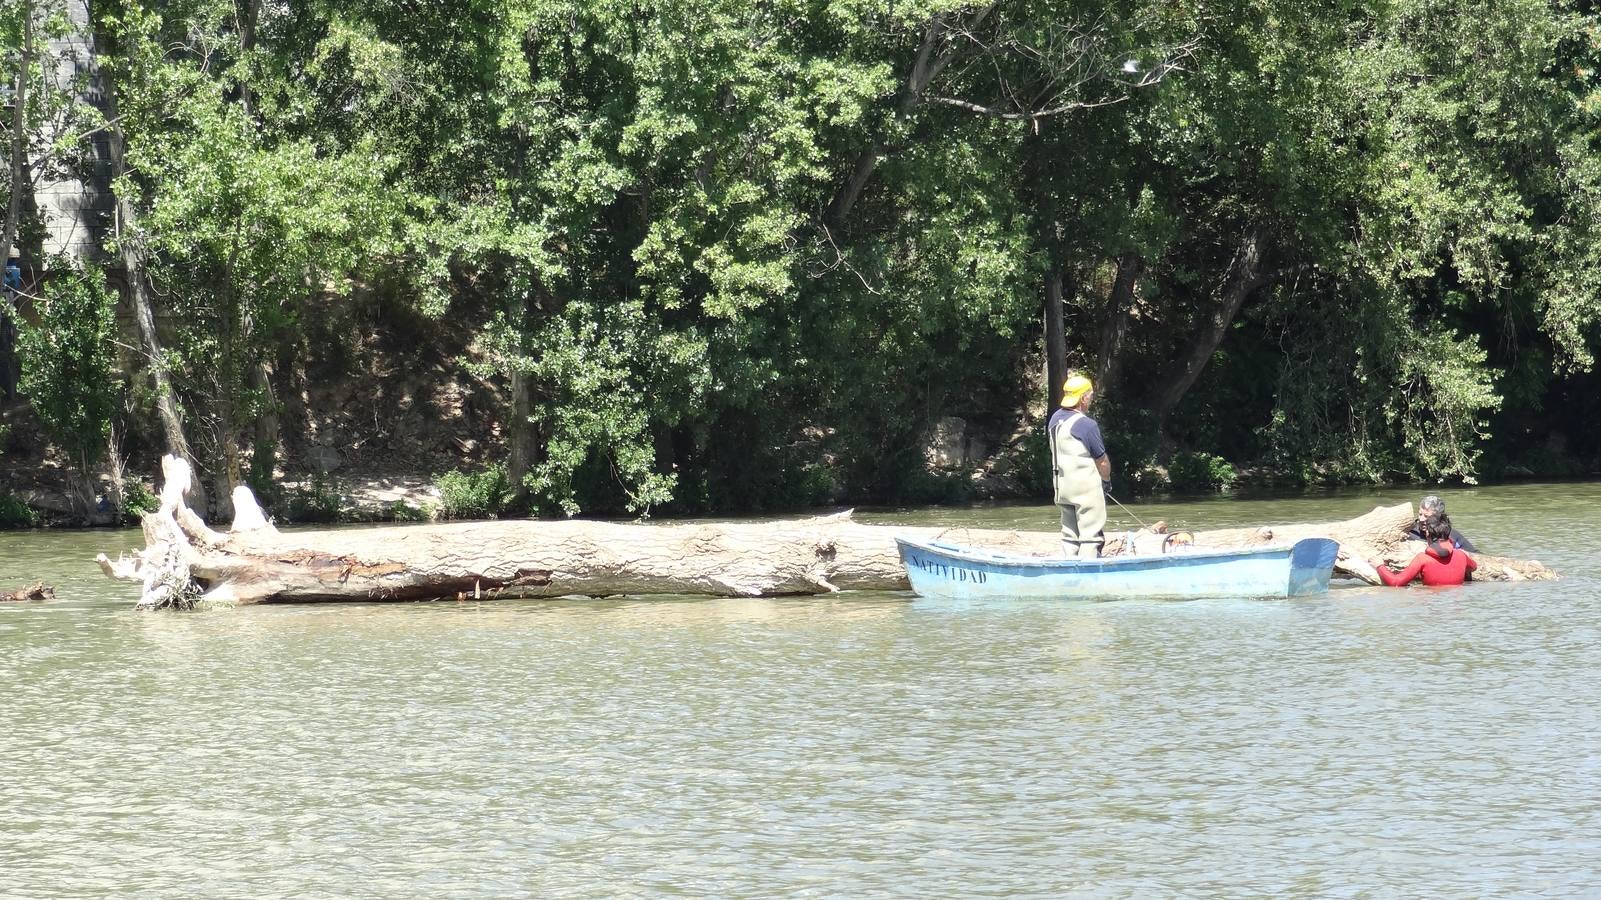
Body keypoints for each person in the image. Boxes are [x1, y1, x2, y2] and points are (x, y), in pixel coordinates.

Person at [1048, 372, 1112, 558]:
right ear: (1083, 398)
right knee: (1090, 537)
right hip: (1085, 490)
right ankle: (1088, 569)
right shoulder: (1086, 425)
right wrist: (1106, 481)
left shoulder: (1055, 419)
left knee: (1069, 536)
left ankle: (1068, 566)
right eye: (1090, 395)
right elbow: (1102, 460)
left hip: (1061, 488)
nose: (1091, 398)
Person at [1372, 517, 1477, 586]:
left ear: (1428, 536)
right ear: (1448, 534)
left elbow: (1396, 582)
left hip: (1431, 604)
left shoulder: (1422, 559)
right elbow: (1473, 567)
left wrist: (1379, 566)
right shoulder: (1461, 555)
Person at [1403, 495, 1476, 551]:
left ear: (1439, 518)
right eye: (1420, 514)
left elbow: (1475, 553)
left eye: (1427, 516)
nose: (1421, 519)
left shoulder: (1450, 534)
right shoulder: (1409, 531)